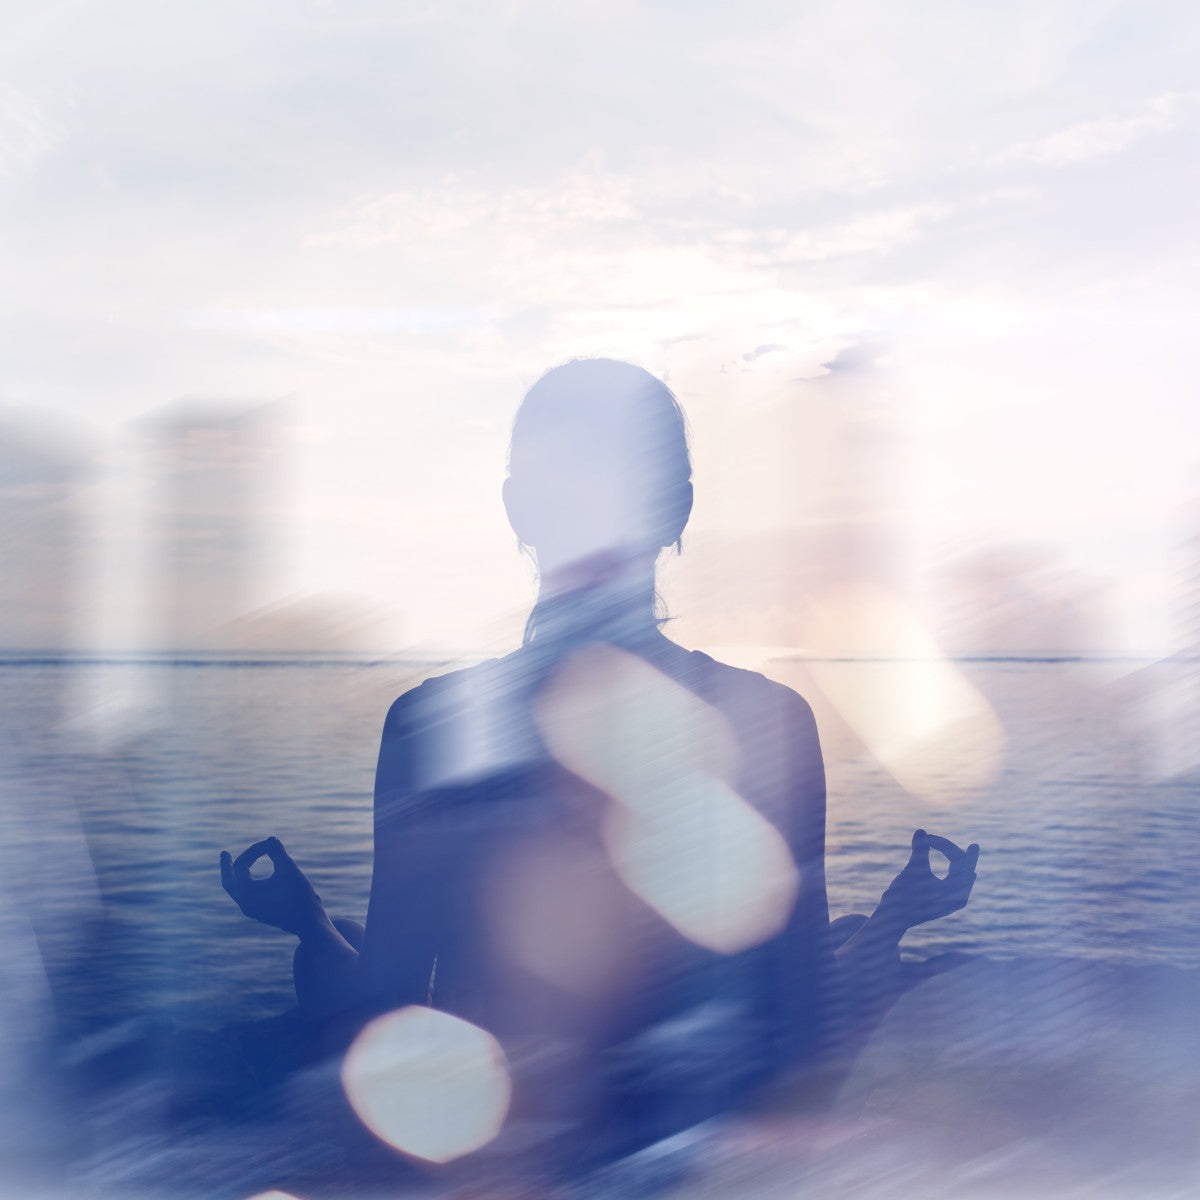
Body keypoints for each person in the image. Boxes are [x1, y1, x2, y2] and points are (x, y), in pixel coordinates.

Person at [220, 359, 979, 1180]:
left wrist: (307, 926)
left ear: (517, 507)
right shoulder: (768, 723)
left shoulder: (431, 727)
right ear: (679, 507)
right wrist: (895, 919)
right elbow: (800, 1032)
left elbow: (388, 1019)